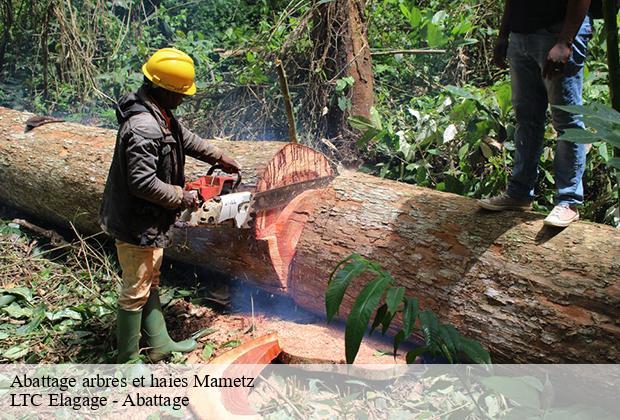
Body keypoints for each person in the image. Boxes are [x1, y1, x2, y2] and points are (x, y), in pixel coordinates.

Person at [100, 48, 240, 363]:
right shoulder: (144, 127)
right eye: (181, 95)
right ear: (165, 89)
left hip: (149, 219)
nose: (183, 100)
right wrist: (182, 196)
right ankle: (128, 360)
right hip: (136, 222)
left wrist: (218, 157)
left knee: (150, 279)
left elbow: (184, 138)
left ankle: (160, 343)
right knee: (135, 290)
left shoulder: (159, 114)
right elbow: (142, 182)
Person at [479, 0, 593, 227]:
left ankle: (569, 201)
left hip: (557, 32)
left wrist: (565, 41)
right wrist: (504, 34)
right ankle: (519, 193)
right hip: (521, 35)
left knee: (566, 120)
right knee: (526, 118)